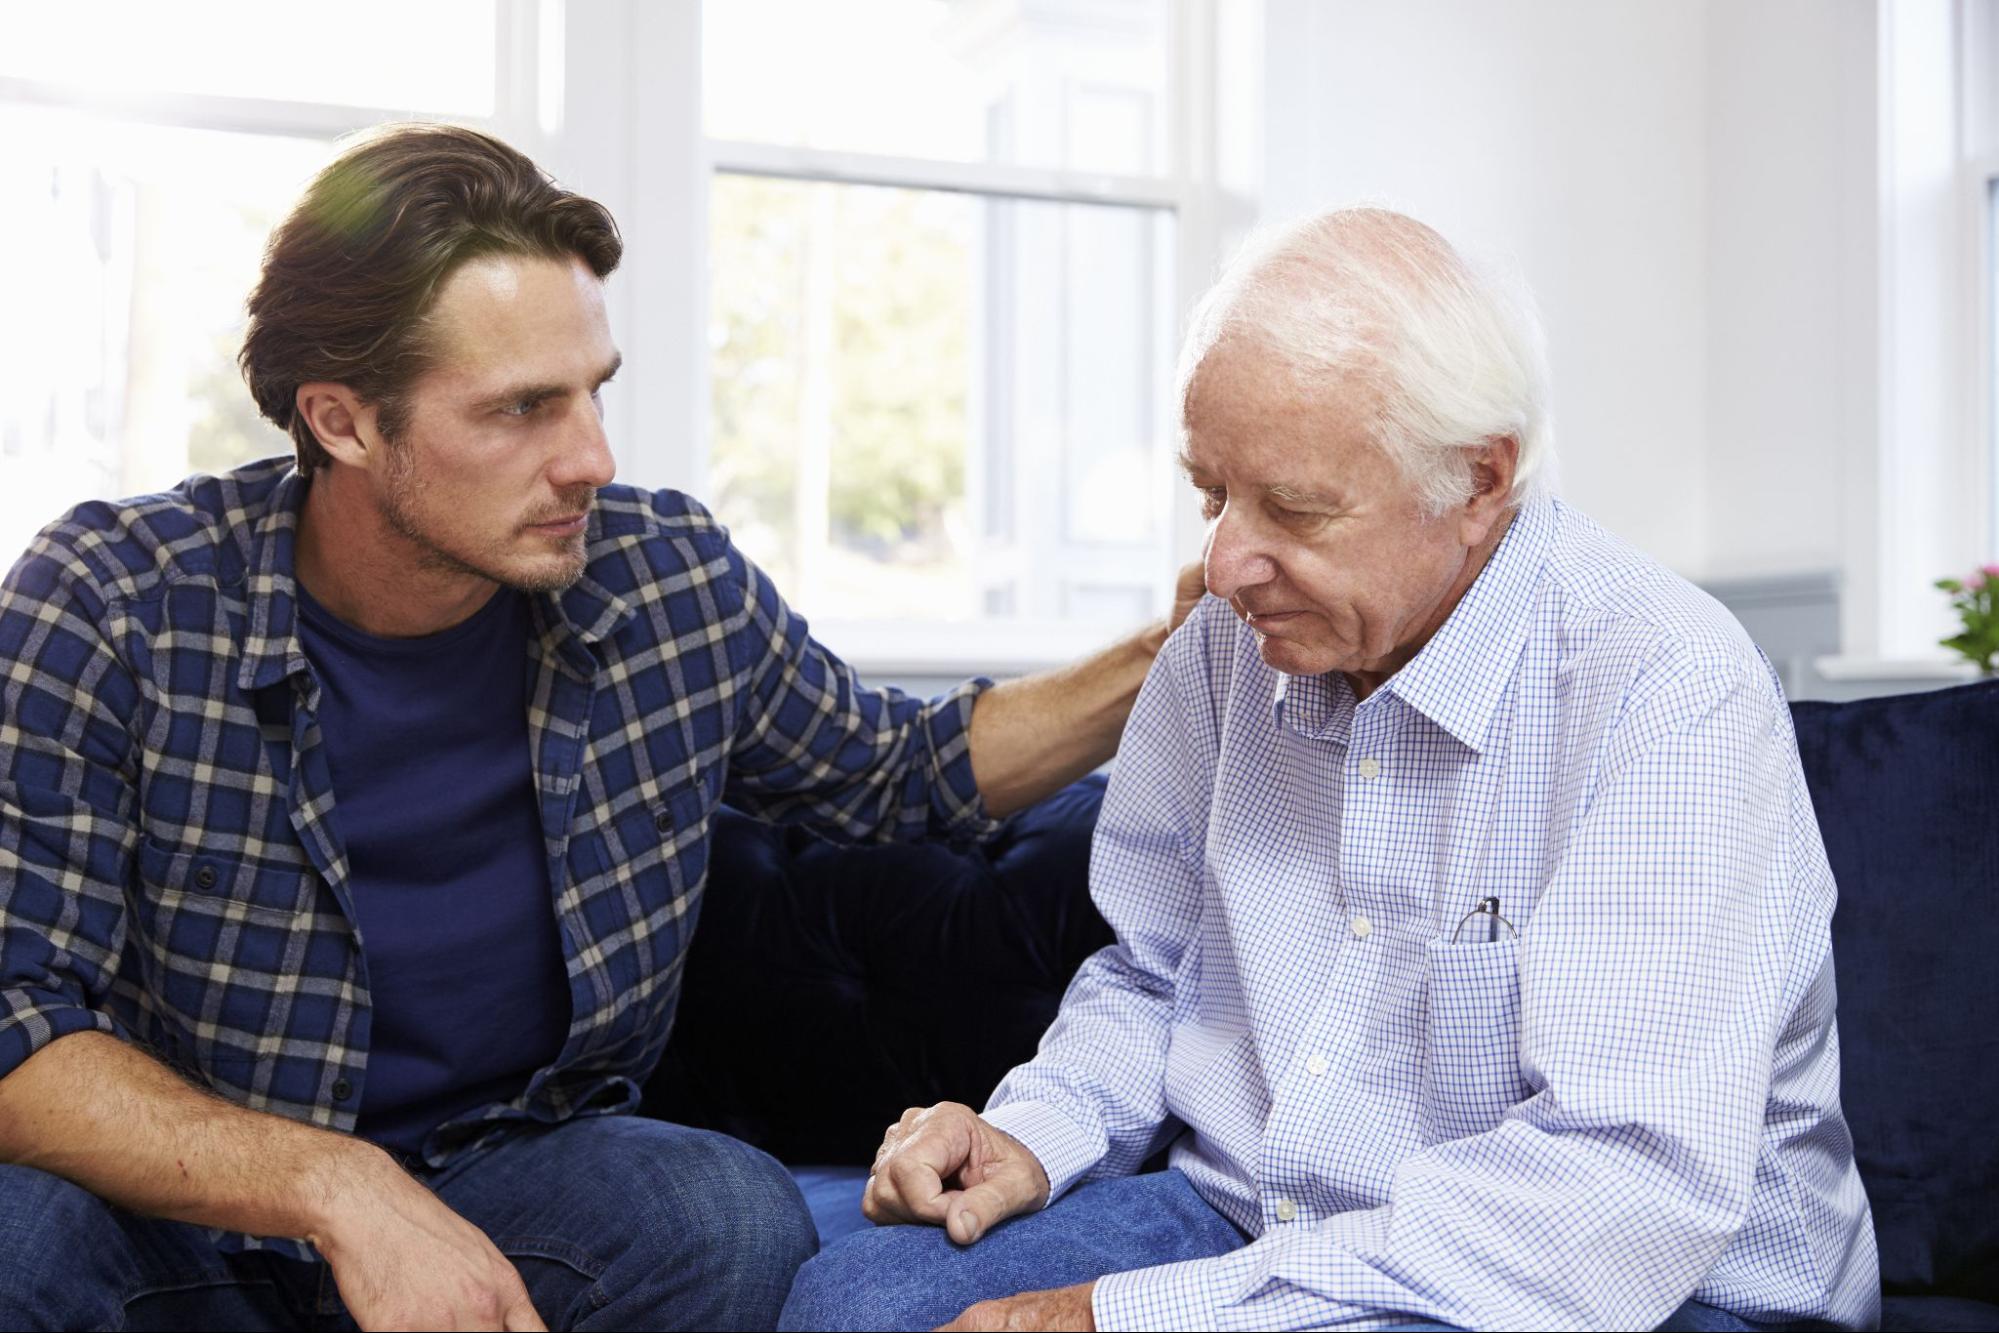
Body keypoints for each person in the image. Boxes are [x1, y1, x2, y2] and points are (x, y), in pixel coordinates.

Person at [0, 123, 1199, 1332]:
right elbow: (15, 1017)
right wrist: (334, 1186)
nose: (591, 457)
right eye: (522, 408)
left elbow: (904, 771)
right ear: (344, 421)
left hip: (505, 1181)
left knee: (720, 1213)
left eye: (591, 392)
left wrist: (1177, 645)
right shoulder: (115, 601)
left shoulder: (662, 581)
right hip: (186, 1204)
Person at [784, 208, 1881, 1333]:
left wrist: (1124, 1316)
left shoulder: (1666, 689)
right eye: (1211, 493)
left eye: (1294, 508)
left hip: (1620, 1278)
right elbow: (1157, 976)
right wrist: (1037, 1131)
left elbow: (1609, 1196)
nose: (1223, 562)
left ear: (1477, 482)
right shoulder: (1223, 644)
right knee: (862, 1305)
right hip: (1256, 1213)